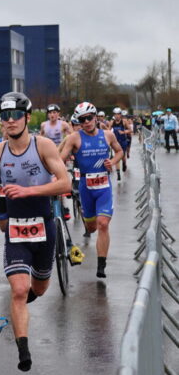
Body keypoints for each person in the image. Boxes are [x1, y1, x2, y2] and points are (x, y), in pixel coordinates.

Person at [0, 92, 71, 372]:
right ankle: (23, 350)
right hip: (16, 230)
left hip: (44, 227)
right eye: (5, 116)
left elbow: (65, 183)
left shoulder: (43, 145)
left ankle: (27, 298)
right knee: (19, 290)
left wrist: (29, 191)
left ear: (27, 118)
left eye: (15, 115)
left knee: (39, 288)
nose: (10, 121)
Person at [59, 101, 124, 280]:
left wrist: (113, 161)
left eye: (89, 118)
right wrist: (58, 175)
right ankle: (85, 215)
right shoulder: (74, 138)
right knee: (92, 227)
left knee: (103, 224)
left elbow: (119, 151)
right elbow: (60, 160)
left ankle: (101, 264)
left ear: (95, 117)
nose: (86, 122)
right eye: (82, 120)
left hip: (104, 187)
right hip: (85, 188)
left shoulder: (108, 135)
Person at [109, 107, 130, 176]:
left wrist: (123, 132)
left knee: (123, 156)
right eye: (115, 114)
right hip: (116, 142)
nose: (117, 116)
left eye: (118, 114)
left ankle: (124, 163)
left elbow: (130, 130)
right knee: (117, 156)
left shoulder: (124, 121)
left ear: (120, 114)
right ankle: (118, 173)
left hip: (123, 141)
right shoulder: (112, 122)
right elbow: (108, 131)